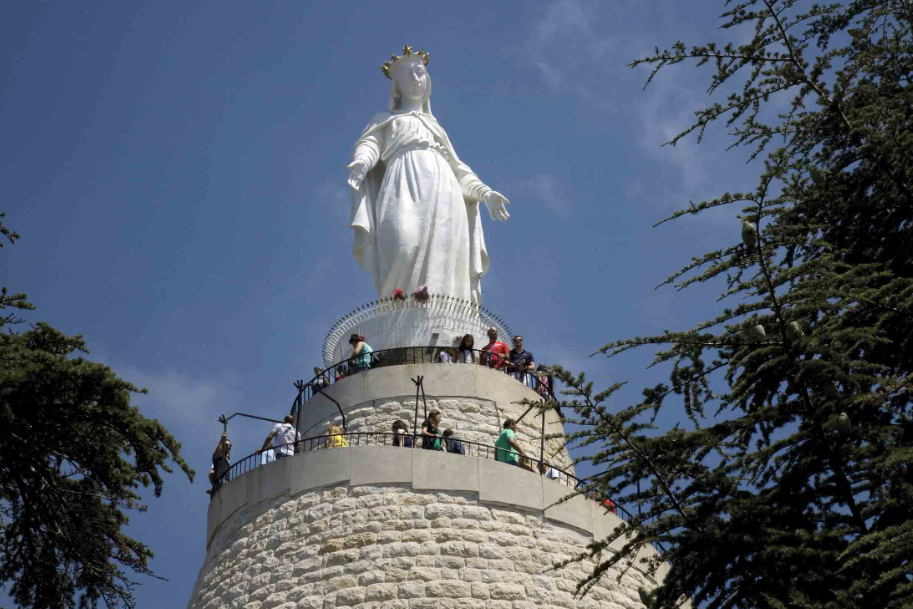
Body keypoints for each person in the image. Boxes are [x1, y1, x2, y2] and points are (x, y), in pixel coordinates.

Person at [347, 45, 511, 305]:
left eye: (420, 73)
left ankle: (441, 314)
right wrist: (361, 162)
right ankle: (398, 312)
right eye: (408, 75)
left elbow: (459, 169)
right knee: (403, 243)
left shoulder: (435, 128)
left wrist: (485, 193)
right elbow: (370, 145)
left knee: (444, 254)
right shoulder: (385, 119)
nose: (415, 79)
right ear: (397, 86)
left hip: (443, 187)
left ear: (428, 80)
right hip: (402, 181)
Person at [208, 431, 231, 498]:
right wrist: (222, 439)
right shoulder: (219, 457)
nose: (229, 446)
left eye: (230, 445)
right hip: (220, 482)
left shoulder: (227, 460)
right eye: (226, 445)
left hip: (226, 483)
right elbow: (211, 473)